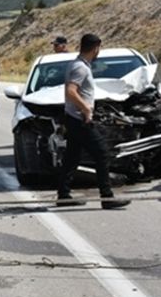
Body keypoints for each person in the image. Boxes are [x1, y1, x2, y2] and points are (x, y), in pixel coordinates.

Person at [55, 34, 130, 209]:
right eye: (99, 49)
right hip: (80, 120)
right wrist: (86, 109)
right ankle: (107, 197)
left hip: (73, 119)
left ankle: (64, 195)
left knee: (72, 157)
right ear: (96, 47)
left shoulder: (78, 65)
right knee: (102, 153)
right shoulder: (80, 68)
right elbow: (71, 91)